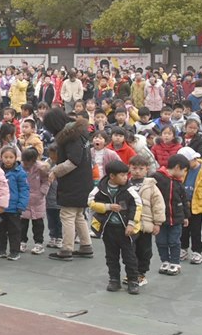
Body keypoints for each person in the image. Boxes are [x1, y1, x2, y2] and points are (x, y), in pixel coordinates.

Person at [45, 108, 95, 261]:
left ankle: (67, 249)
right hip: (84, 179)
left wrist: (55, 171)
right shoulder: (79, 132)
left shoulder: (70, 136)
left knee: (67, 214)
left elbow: (73, 161)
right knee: (78, 214)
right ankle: (86, 246)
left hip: (73, 182)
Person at [88, 159, 142, 294]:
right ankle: (114, 280)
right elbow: (91, 202)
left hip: (125, 230)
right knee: (111, 256)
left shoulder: (129, 190)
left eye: (126, 175)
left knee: (129, 257)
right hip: (108, 229)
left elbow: (137, 205)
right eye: (122, 175)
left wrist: (131, 223)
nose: (125, 178)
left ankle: (133, 281)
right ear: (112, 176)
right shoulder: (100, 189)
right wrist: (107, 207)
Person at [126, 153, 165, 286]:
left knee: (144, 251)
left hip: (145, 225)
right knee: (129, 250)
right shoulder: (125, 184)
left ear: (147, 169)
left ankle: (141, 274)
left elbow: (158, 205)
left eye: (141, 169)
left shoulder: (151, 186)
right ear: (129, 168)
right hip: (130, 225)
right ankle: (131, 273)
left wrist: (157, 223)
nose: (137, 171)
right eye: (134, 168)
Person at [153, 154, 190, 276]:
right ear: (177, 167)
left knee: (174, 241)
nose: (184, 174)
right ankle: (165, 261)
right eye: (184, 170)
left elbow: (184, 199)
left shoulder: (178, 182)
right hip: (160, 218)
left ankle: (175, 263)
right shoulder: (156, 177)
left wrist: (186, 216)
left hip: (176, 218)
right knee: (161, 241)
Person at [0, 146, 29, 260]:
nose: (8, 160)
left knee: (14, 231)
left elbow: (24, 190)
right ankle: (1, 249)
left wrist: (21, 205)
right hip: (0, 207)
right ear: (1, 157)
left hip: (14, 208)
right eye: (5, 157)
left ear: (15, 158)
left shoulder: (20, 173)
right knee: (0, 230)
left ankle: (15, 251)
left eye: (11, 157)